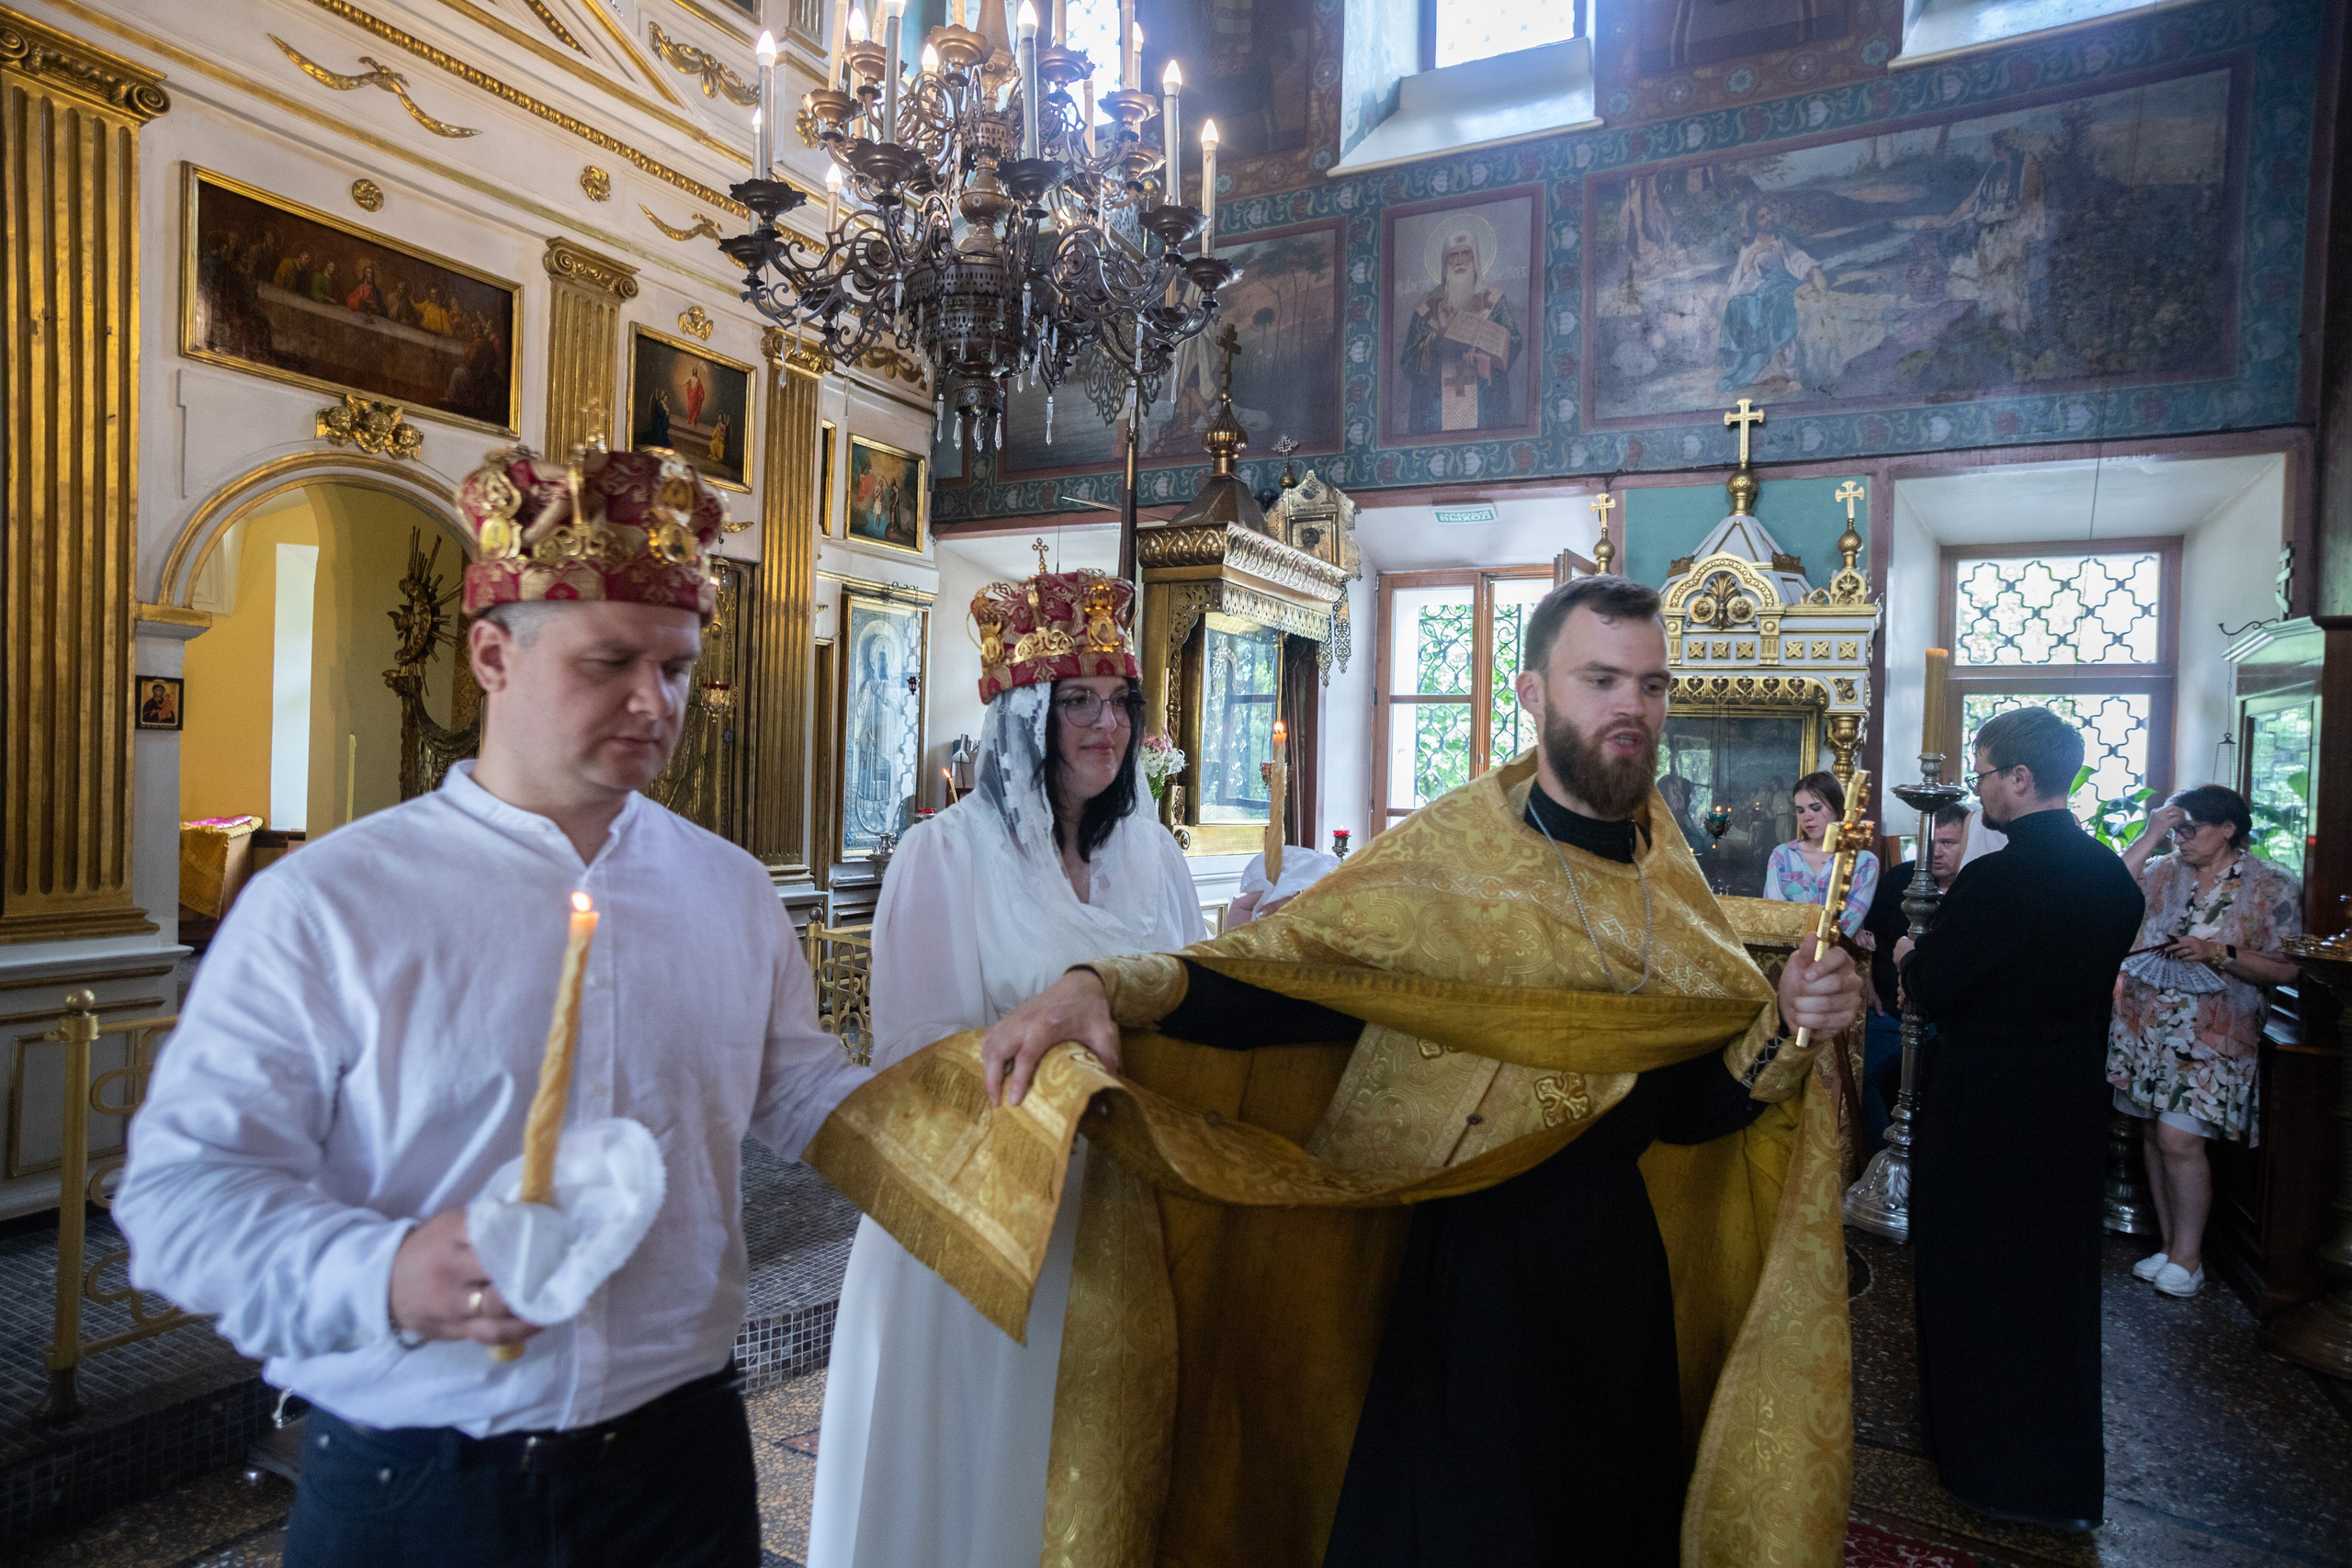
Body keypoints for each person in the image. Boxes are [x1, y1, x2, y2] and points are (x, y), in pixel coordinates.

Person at [844, 575, 1863, 1564]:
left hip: (1618, 1277)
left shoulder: (1671, 883)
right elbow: (1281, 987)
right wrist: (1109, 989)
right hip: (1469, 1274)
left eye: (1650, 685)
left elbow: (1687, 1104)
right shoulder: (1451, 857)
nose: (1629, 708)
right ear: (1533, 693)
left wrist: (1784, 1027)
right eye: (1600, 680)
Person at [115, 442, 868, 1568]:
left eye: (675, 668)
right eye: (610, 661)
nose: (653, 703)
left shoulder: (728, 886)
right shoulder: (334, 904)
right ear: (489, 656)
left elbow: (803, 1091)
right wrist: (388, 1274)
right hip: (422, 1472)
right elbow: (182, 1199)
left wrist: (990, 1095)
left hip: (681, 1459)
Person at [808, 564, 1204, 1568]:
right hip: (987, 1228)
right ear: (1026, 715)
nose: (1105, 727)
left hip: (1123, 1212)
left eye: (1119, 702)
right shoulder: (946, 857)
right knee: (987, 1484)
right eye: (1078, 701)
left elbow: (1185, 1000)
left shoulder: (1151, 857)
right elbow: (915, 1063)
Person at [1897, 706, 2143, 1529]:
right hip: (2070, 1106)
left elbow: (1937, 985)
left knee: (1975, 1278)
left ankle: (1985, 1464)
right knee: (2054, 1287)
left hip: (1984, 1108)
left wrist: (1908, 956)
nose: (1980, 791)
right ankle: (2061, 1477)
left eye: (1984, 773)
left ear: (2019, 779)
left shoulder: (2000, 879)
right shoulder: (2112, 877)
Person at [2109, 785, 2302, 1299]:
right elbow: (2105, 889)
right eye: (2174, 827)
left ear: (2228, 829)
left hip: (2213, 1031)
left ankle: (2190, 1257)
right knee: (2152, 1132)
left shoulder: (2270, 884)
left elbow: (2287, 967)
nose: (2180, 838)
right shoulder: (2163, 870)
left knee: (2180, 1139)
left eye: (2189, 828)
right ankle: (2172, 1247)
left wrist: (2219, 952)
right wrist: (2150, 835)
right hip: (2145, 1022)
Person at [1856, 803, 1970, 1150]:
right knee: (1861, 1074)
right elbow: (1866, 935)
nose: (1937, 851)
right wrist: (1868, 987)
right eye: (1931, 842)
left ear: (1968, 845)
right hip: (1886, 1012)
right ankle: (1876, 1163)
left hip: (1944, 1021)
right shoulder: (1898, 879)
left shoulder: (1976, 890)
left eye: (1949, 843)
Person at [1400, 230, 1523, 434]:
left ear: (1475, 258)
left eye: (1465, 253)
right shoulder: (1427, 307)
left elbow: (1514, 341)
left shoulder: (1494, 300)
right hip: (1437, 411)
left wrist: (1482, 353)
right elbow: (1409, 360)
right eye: (1453, 255)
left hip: (1485, 402)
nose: (1459, 261)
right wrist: (1438, 337)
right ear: (1444, 262)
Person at [1762, 768, 1881, 940]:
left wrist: (1850, 930)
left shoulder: (1863, 862)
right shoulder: (1782, 856)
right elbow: (1776, 918)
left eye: (1816, 808)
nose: (1807, 817)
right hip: (1788, 955)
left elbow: (1845, 926)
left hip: (1837, 958)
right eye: (1800, 810)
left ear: (1838, 808)